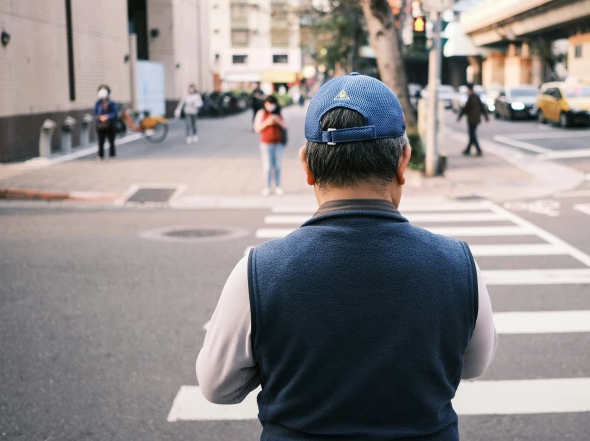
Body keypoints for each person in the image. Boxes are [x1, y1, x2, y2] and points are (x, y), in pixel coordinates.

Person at [197, 73, 497, 440]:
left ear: (307, 166)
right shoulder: (458, 263)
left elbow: (217, 387)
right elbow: (474, 365)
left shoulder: (259, 270)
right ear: (403, 161)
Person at [253, 95, 287, 196]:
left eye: (272, 104)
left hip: (278, 142)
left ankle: (278, 186)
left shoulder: (280, 113)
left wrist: (277, 121)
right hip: (266, 143)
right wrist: (267, 122)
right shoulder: (261, 113)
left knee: (278, 166)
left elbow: (287, 125)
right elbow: (256, 128)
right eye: (268, 104)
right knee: (267, 166)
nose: (270, 106)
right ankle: (267, 186)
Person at [457, 83, 489, 156]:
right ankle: (468, 150)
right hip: (476, 119)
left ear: (469, 89)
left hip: (472, 119)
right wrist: (486, 117)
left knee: (472, 135)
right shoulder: (476, 97)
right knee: (472, 134)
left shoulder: (471, 98)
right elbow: (482, 107)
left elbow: (465, 108)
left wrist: (460, 116)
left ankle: (478, 150)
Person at [93, 85, 118, 160]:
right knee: (101, 140)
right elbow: (95, 112)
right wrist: (100, 117)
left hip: (110, 124)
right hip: (100, 124)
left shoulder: (112, 103)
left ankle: (112, 155)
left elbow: (115, 113)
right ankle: (100, 155)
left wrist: (107, 116)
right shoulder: (98, 103)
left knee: (111, 140)